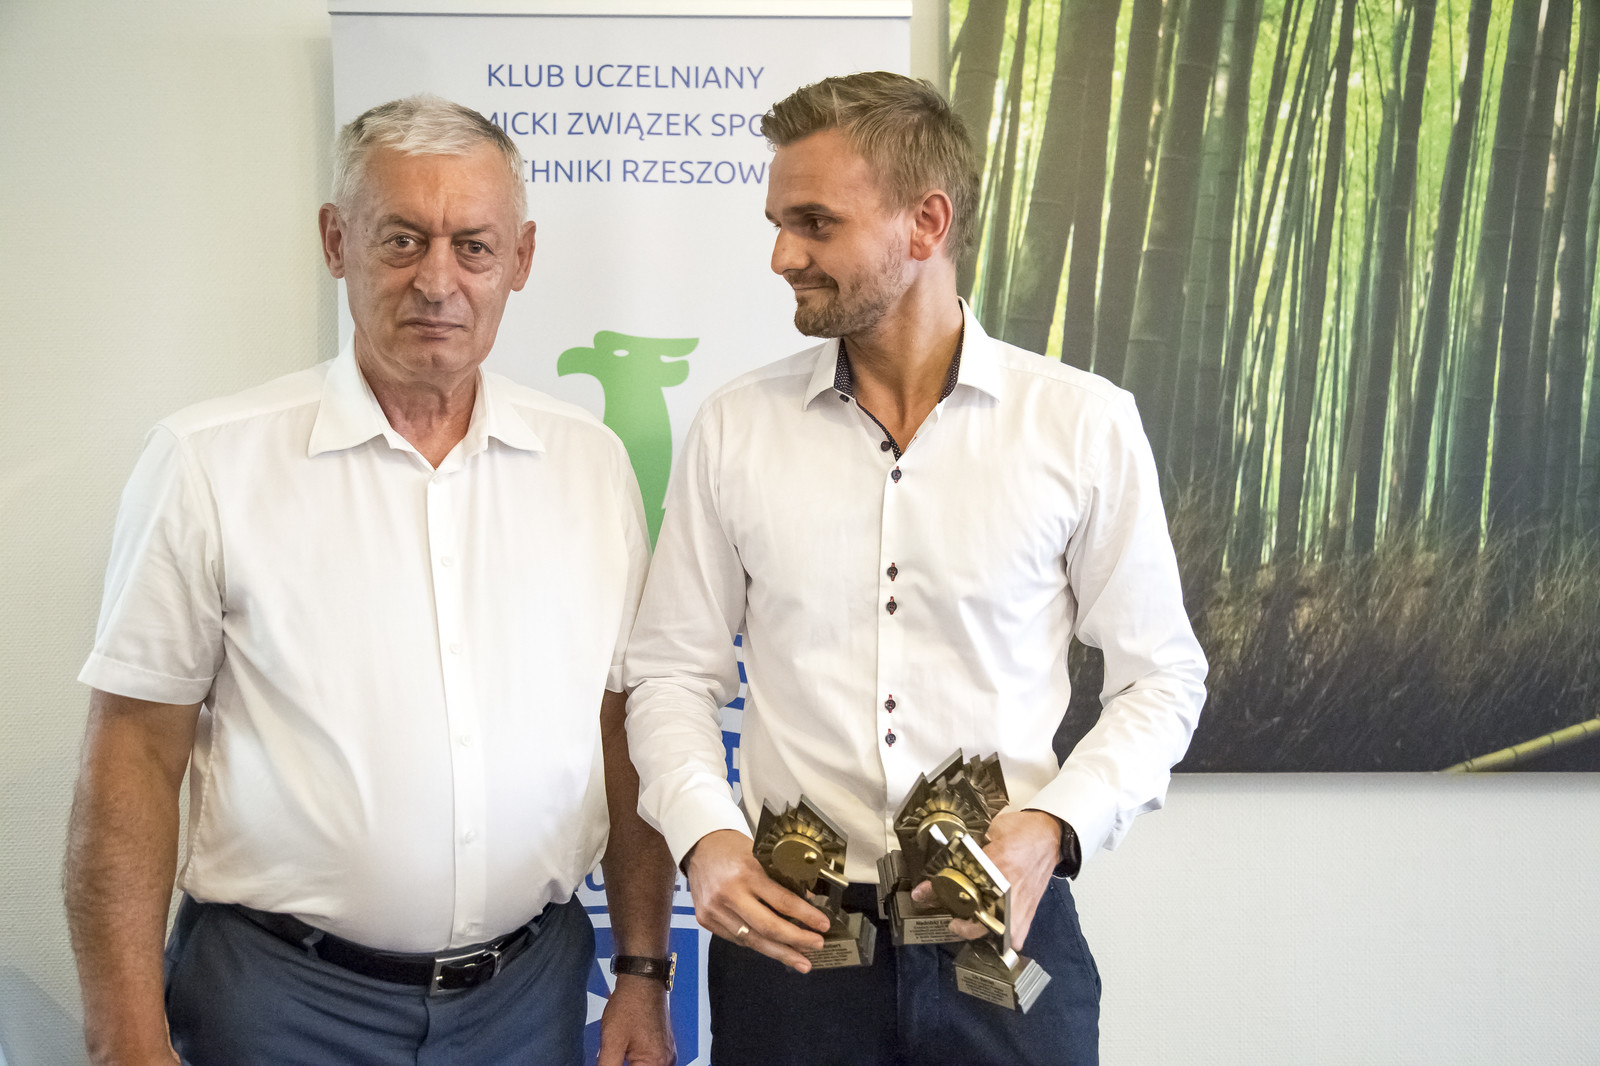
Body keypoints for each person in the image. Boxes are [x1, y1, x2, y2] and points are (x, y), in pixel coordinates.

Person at [63, 95, 676, 1066]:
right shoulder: (208, 463)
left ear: (520, 259)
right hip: (278, 1003)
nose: (437, 280)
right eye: (401, 239)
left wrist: (642, 968)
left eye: (473, 247)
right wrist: (124, 1039)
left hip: (526, 1001)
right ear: (335, 241)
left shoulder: (589, 465)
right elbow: (133, 751)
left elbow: (620, 728)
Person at [623, 72, 1207, 1065]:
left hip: (1004, 934)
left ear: (925, 223)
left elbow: (1163, 677)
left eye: (815, 223)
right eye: (779, 223)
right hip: (790, 949)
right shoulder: (734, 429)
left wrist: (1054, 825)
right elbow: (671, 671)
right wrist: (702, 834)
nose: (782, 256)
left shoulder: (1082, 426)